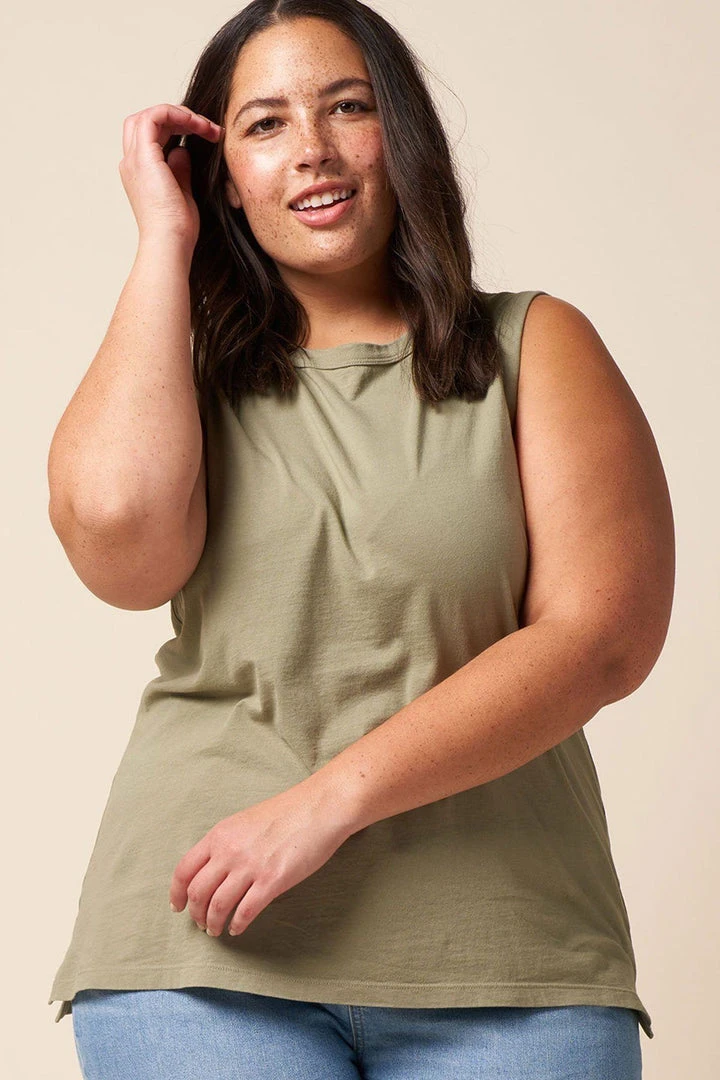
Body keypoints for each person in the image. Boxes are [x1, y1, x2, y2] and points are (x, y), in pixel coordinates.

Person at [46, 1, 675, 1077]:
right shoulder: (176, 376)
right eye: (264, 125)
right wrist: (164, 242)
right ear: (221, 175)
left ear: (404, 133)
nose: (313, 150)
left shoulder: (535, 345)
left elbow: (602, 639)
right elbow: (120, 548)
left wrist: (324, 807)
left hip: (508, 955)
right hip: (202, 950)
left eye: (348, 107)